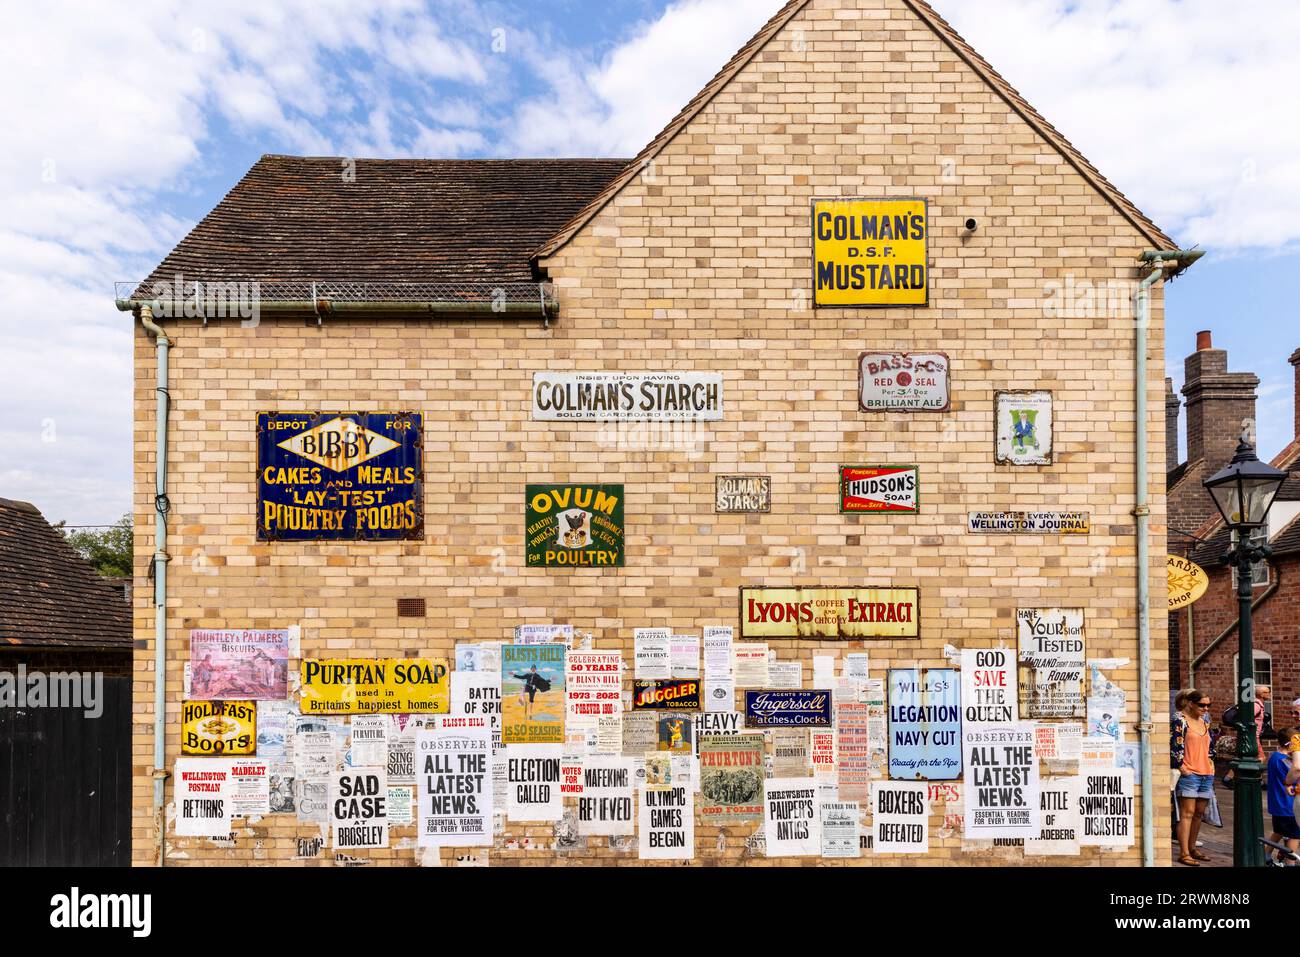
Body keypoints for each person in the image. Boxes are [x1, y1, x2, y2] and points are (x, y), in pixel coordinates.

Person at [1171, 689, 1216, 866]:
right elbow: (1174, 745)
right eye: (1202, 705)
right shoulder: (1180, 720)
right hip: (1189, 773)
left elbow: (1210, 746)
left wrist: (1211, 765)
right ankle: (1184, 852)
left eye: (1208, 705)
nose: (1205, 709)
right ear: (1190, 703)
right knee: (1187, 813)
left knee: (1199, 813)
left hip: (1206, 773)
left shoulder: (1205, 721)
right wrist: (1182, 767)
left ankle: (1192, 848)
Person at [1267, 726, 1300, 863]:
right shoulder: (1287, 762)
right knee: (1295, 835)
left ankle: (1265, 854)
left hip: (1277, 805)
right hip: (1288, 807)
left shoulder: (1274, 757)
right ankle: (1290, 863)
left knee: (1279, 831)